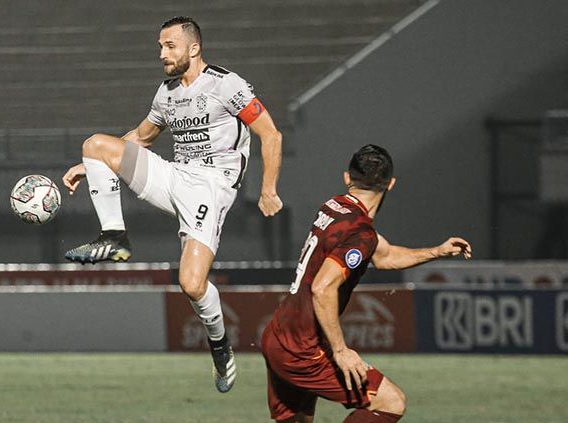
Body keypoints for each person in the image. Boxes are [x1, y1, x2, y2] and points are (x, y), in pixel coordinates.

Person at [61, 16, 283, 393]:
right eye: (160, 47)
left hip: (211, 187)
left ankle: (219, 345)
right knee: (95, 144)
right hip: (175, 177)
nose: (162, 54)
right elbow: (142, 138)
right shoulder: (166, 92)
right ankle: (114, 237)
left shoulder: (226, 85)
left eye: (169, 46)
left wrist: (268, 190)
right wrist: (93, 165)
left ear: (193, 48)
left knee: (191, 284)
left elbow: (270, 133)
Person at [261, 144, 472, 422]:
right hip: (304, 350)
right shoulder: (361, 231)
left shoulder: (334, 207)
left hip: (278, 335)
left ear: (347, 178)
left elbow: (384, 256)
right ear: (391, 184)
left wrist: (437, 251)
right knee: (391, 402)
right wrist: (341, 351)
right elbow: (322, 288)